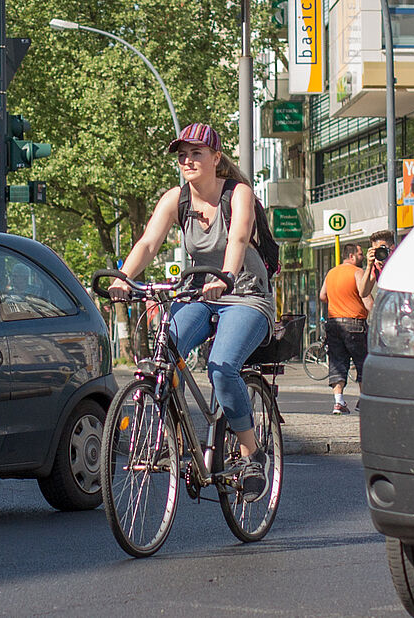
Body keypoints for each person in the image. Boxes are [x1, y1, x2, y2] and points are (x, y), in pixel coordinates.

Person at [108, 122, 275, 503]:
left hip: (245, 294)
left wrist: (227, 276)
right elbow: (149, 242)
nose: (187, 160)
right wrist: (123, 278)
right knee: (165, 350)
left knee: (221, 366)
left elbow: (237, 238)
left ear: (216, 158)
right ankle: (178, 441)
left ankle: (251, 454)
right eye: (182, 155)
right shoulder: (176, 199)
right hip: (200, 293)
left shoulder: (239, 194)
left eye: (196, 153)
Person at [319, 243, 369, 415]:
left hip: (333, 323)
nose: (362, 257)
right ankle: (364, 400)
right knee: (363, 362)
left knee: (337, 362)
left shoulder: (331, 273)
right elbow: (366, 298)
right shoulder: (358, 272)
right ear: (352, 256)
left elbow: (322, 295)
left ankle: (338, 402)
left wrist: (338, 301)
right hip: (355, 323)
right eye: (360, 253)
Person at [358, 229, 395, 302]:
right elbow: (363, 293)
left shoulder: (399, 262)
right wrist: (369, 266)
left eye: (382, 249)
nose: (380, 253)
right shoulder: (376, 267)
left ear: (392, 247)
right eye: (376, 250)